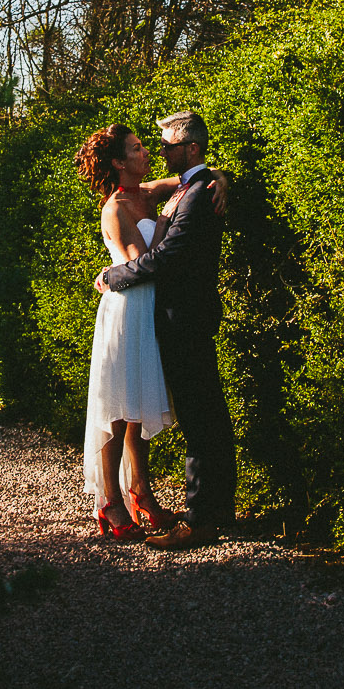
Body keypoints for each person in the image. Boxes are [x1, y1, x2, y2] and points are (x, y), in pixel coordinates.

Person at [73, 124, 226, 541]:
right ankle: (111, 501)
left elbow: (192, 176)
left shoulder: (149, 191)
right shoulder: (116, 208)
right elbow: (144, 262)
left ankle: (140, 490)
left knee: (138, 405)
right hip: (127, 309)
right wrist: (164, 221)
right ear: (119, 162)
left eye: (146, 146)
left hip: (152, 310)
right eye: (138, 149)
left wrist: (219, 179)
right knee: (119, 409)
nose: (147, 154)